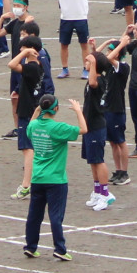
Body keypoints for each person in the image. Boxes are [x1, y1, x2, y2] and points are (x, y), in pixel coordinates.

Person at [23, 93, 83, 261]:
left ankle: (30, 246)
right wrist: (78, 111)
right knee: (56, 216)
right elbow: (83, 129)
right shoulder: (58, 128)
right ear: (55, 108)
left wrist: (37, 110)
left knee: (34, 215)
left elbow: (29, 127)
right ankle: (60, 248)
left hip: (38, 178)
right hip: (56, 179)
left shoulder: (34, 126)